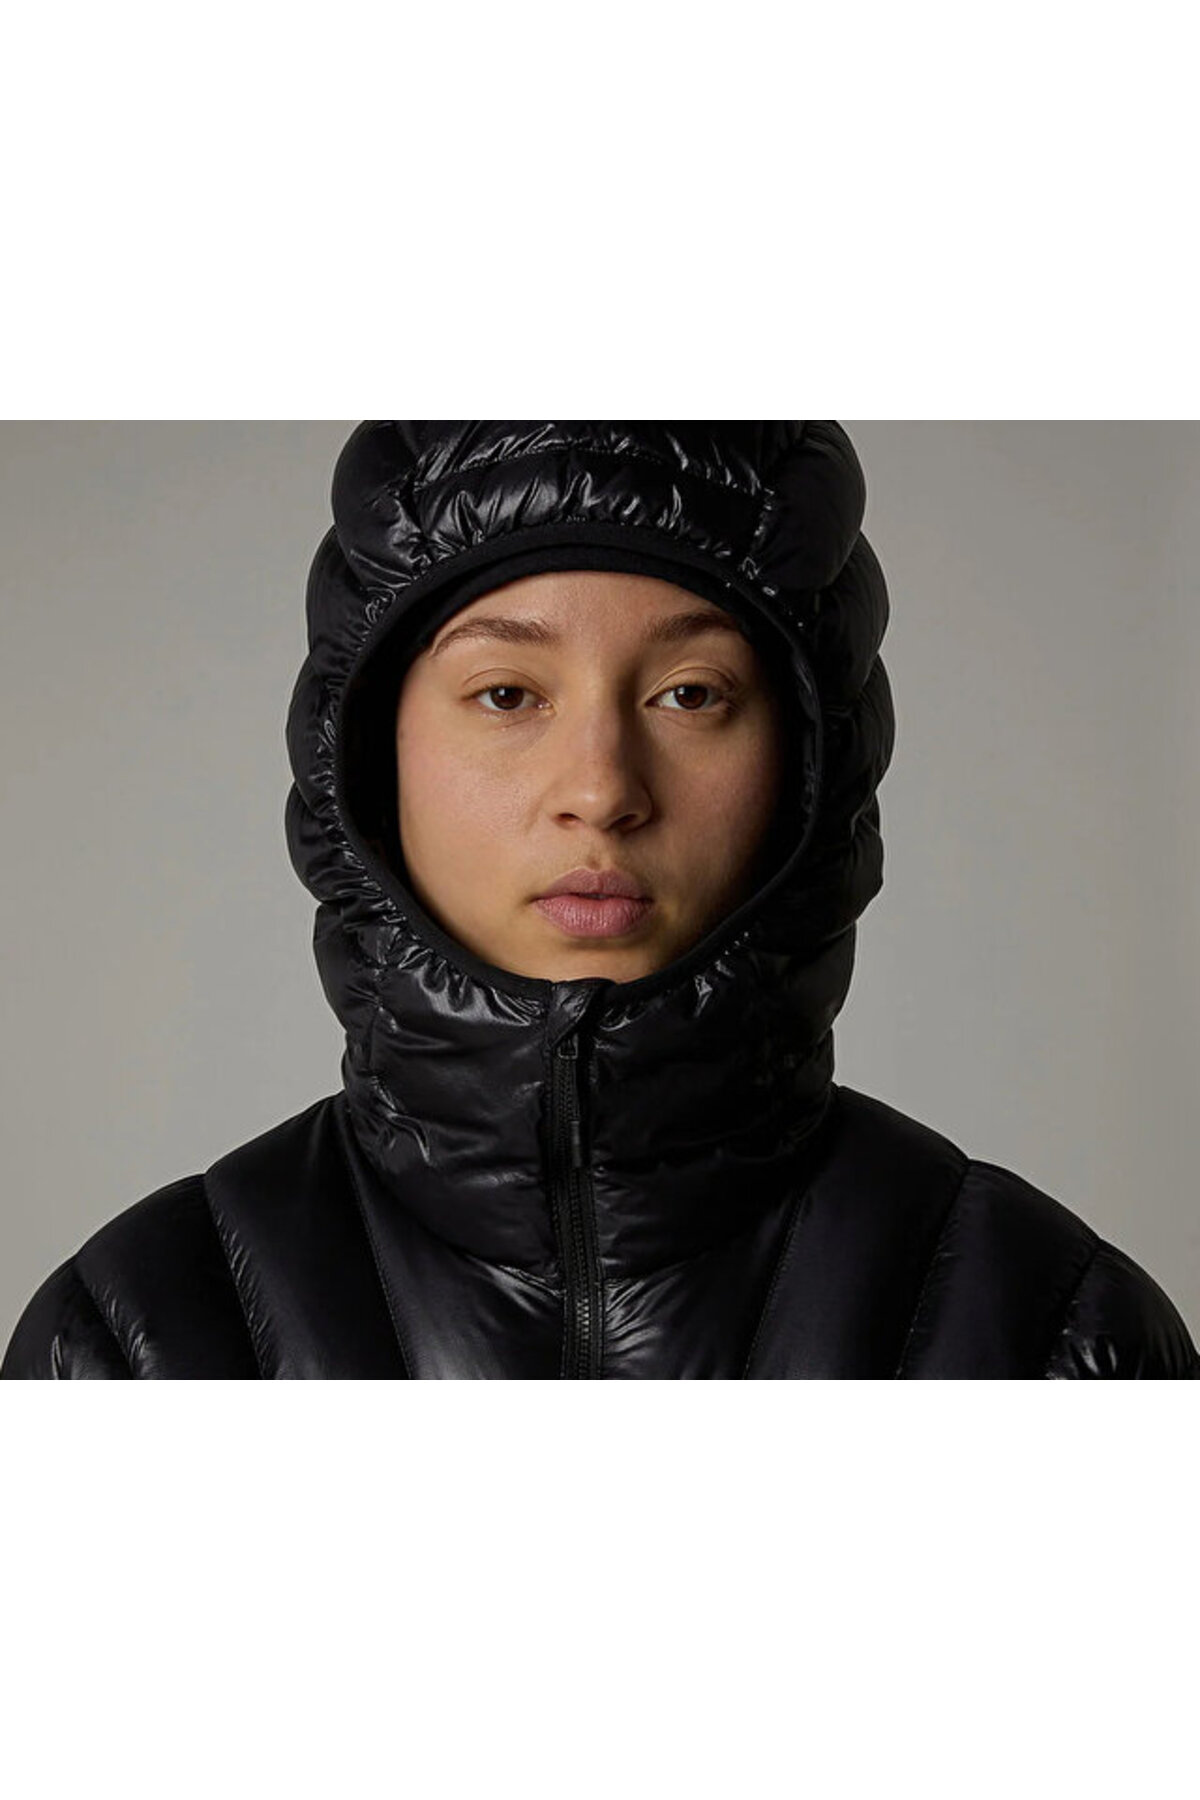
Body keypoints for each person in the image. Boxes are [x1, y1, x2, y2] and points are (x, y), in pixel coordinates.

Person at [3, 419, 1196, 1379]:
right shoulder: (140, 1342)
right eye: (507, 694)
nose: (601, 791)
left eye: (691, 694)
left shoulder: (1053, 1336)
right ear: (366, 758)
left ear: (810, 764)